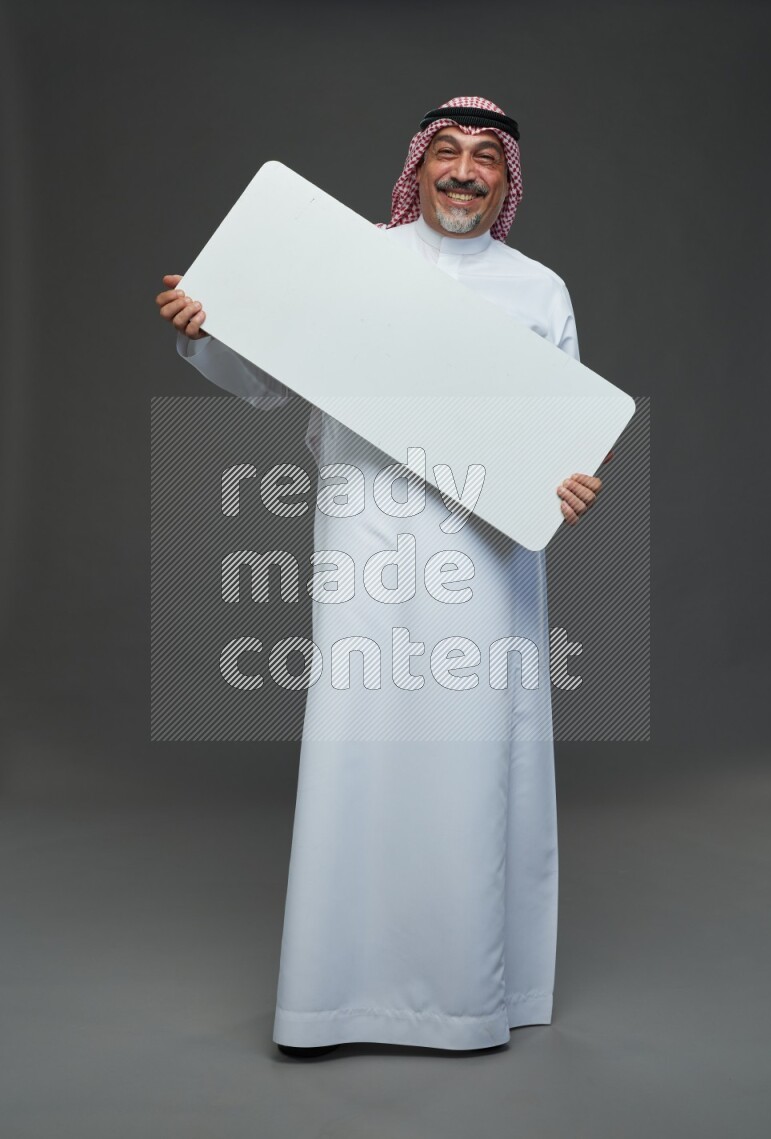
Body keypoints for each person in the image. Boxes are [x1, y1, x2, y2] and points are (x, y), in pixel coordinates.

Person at [155, 96, 609, 1057]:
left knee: (474, 760)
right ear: (420, 165)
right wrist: (203, 329)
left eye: (486, 157)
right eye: (446, 151)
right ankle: (334, 1000)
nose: (463, 171)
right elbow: (264, 370)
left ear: (507, 180)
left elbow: (560, 436)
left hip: (488, 570)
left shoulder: (540, 290)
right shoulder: (355, 261)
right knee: (360, 751)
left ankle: (473, 996)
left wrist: (567, 482)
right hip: (366, 548)